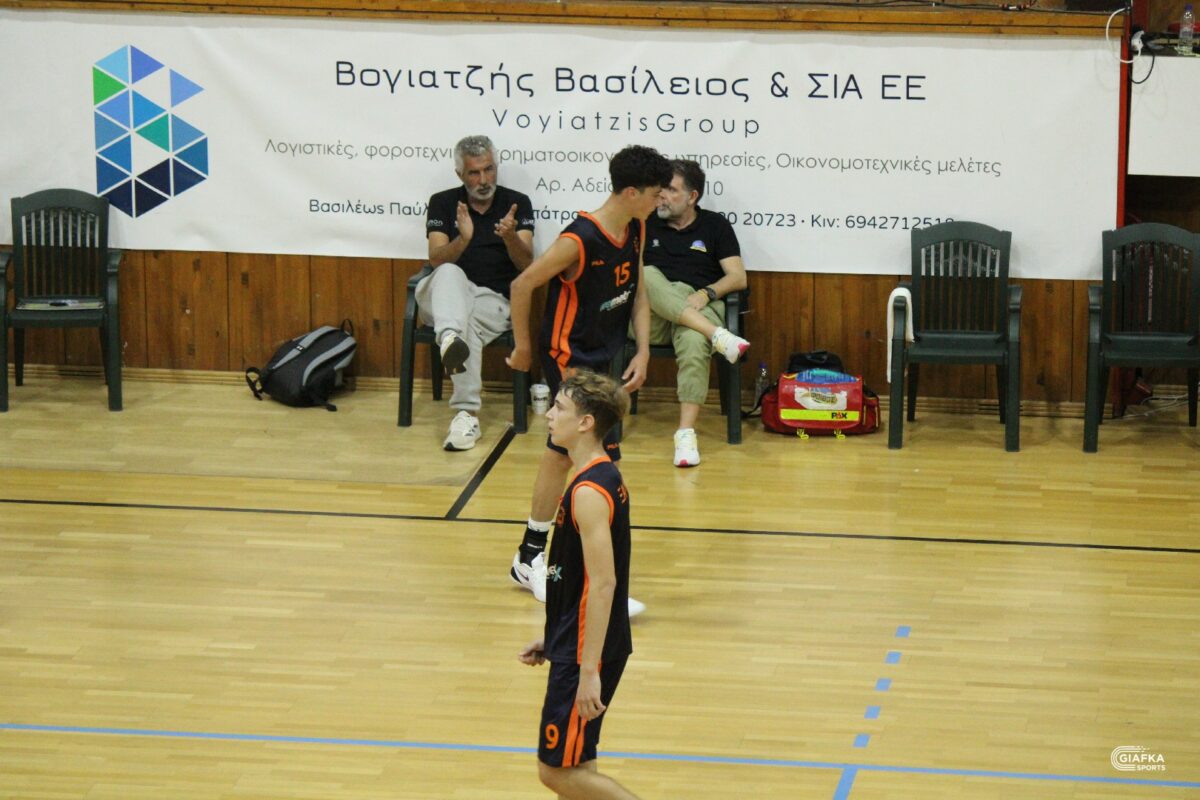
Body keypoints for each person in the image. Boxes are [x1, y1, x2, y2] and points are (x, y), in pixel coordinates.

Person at [506, 145, 671, 613]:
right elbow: (522, 285)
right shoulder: (579, 239)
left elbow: (638, 292)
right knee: (598, 468)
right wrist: (522, 348)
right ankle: (585, 580)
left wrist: (642, 349)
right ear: (631, 192)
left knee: (561, 457)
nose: (661, 200)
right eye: (655, 193)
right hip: (569, 359)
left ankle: (531, 558)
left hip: (605, 358)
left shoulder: (636, 226)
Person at [518, 370, 643, 800]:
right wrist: (555, 637)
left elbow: (604, 584)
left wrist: (587, 670)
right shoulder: (600, 477)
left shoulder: (589, 492)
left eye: (560, 408)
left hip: (586, 655)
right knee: (577, 765)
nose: (549, 415)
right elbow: (579, 580)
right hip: (577, 642)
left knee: (555, 772)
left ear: (586, 422)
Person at [421, 135, 535, 451]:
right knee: (449, 272)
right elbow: (436, 260)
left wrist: (510, 237)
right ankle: (450, 339)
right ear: (460, 174)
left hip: (492, 301)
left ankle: (465, 412)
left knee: (464, 326)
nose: (484, 180)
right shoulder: (443, 202)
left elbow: (527, 265)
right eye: (474, 172)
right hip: (442, 298)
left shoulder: (517, 203)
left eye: (489, 169)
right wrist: (464, 239)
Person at [643, 159, 749, 467]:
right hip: (653, 318)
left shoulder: (715, 226)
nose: (661, 196)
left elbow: (738, 277)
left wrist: (706, 293)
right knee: (645, 274)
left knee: (692, 339)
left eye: (670, 190)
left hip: (701, 306)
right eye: (660, 189)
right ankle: (717, 336)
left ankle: (685, 433)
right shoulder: (645, 222)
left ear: (692, 196)